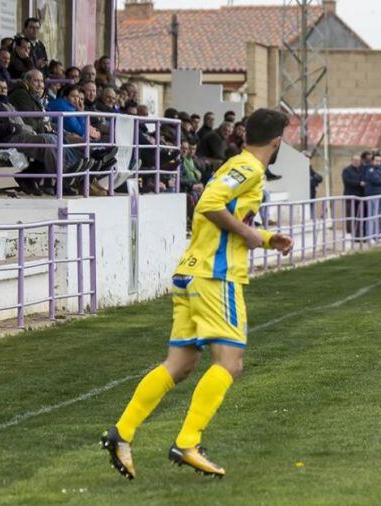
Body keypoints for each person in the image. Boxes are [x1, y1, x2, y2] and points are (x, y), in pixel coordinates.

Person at [101, 108, 294, 480]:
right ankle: (188, 442)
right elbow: (209, 203)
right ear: (276, 142)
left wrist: (267, 238)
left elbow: (222, 212)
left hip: (191, 271)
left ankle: (121, 433)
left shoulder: (235, 164)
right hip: (215, 276)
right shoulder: (250, 168)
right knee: (230, 362)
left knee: (179, 364)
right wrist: (249, 234)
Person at [362, 153, 381, 240]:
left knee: (380, 216)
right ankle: (370, 236)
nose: (378, 162)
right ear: (372, 161)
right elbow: (377, 180)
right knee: (372, 216)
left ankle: (379, 235)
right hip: (372, 195)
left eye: (380, 161)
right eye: (376, 161)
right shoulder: (370, 170)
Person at [342, 154, 363, 237]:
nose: (357, 162)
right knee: (350, 215)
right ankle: (350, 233)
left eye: (358, 161)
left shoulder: (361, 170)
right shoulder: (347, 170)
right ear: (352, 161)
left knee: (359, 216)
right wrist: (359, 183)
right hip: (350, 196)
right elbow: (347, 181)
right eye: (355, 160)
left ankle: (358, 234)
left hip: (360, 196)